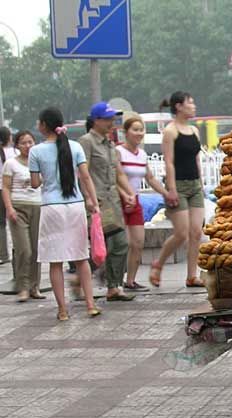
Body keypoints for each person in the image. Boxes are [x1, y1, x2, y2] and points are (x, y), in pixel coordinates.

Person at [28, 107, 101, 320]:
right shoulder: (75, 146)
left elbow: (34, 183)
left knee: (55, 261)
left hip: (52, 208)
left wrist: (44, 179)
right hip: (75, 206)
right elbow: (85, 178)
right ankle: (90, 305)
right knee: (81, 258)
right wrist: (93, 202)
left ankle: (62, 311)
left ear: (43, 125)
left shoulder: (36, 151)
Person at [79, 102, 136, 301]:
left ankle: (114, 287)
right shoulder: (87, 142)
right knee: (102, 247)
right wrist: (88, 197)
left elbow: (117, 173)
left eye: (113, 119)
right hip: (98, 203)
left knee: (120, 244)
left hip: (113, 202)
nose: (112, 123)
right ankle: (79, 278)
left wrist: (129, 193)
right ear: (96, 120)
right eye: (108, 119)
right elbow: (82, 172)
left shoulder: (111, 144)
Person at [149, 91, 205, 288]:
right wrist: (171, 189)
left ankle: (192, 275)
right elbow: (169, 162)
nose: (194, 106)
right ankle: (158, 263)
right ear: (179, 106)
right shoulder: (170, 131)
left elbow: (196, 159)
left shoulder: (194, 131)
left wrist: (201, 183)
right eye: (190, 102)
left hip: (194, 186)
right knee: (182, 233)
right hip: (178, 186)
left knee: (197, 232)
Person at [116, 116, 172, 291]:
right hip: (118, 201)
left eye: (141, 130)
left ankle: (130, 281)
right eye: (135, 129)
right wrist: (125, 195)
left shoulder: (142, 154)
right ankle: (114, 280)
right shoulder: (118, 152)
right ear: (126, 133)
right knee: (119, 244)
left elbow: (150, 178)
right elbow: (116, 177)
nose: (139, 133)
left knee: (138, 243)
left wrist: (165, 193)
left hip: (136, 202)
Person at [2, 131, 44, 302]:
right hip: (18, 208)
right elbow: (5, 187)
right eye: (23, 143)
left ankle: (35, 286)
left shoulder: (39, 162)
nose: (27, 146)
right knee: (24, 250)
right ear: (17, 145)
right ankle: (23, 287)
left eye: (30, 142)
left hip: (37, 207)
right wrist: (9, 208)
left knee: (36, 250)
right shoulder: (10, 164)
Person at [0, 126, 15, 264]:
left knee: (1, 224)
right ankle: (16, 250)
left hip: (1, 190)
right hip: (14, 190)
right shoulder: (15, 152)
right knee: (15, 221)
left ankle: (3, 255)